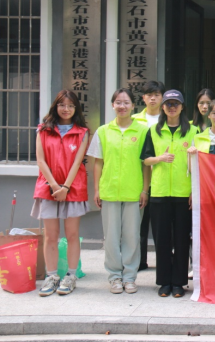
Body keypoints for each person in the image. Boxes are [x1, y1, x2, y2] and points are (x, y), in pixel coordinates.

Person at [88, 89, 149, 294]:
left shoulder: (143, 131)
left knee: (132, 237)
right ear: (112, 105)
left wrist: (145, 190)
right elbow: (98, 162)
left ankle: (130, 277)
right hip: (109, 191)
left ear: (133, 106)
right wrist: (97, 189)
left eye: (126, 102)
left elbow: (146, 164)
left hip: (133, 191)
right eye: (118, 102)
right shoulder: (103, 131)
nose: (122, 106)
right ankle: (115, 276)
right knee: (111, 237)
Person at [141, 90, 198, 298]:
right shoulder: (154, 131)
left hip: (184, 193)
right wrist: (160, 158)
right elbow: (145, 159)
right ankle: (164, 282)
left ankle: (179, 282)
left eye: (176, 104)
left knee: (182, 239)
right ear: (162, 107)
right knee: (162, 239)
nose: (172, 108)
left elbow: (199, 164)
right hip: (160, 191)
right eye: (168, 104)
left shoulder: (193, 131)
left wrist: (194, 190)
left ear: (182, 107)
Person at [33, 90, 90, 297]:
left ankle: (71, 276)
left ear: (76, 109)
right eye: (62, 105)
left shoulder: (83, 132)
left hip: (73, 188)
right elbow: (41, 160)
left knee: (72, 234)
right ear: (55, 107)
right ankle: (51, 276)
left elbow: (78, 162)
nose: (66, 109)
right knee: (50, 236)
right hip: (47, 188)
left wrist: (65, 188)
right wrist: (54, 186)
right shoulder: (43, 130)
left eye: (70, 106)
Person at [132, 80, 165, 272]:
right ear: (143, 98)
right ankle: (139, 261)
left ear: (162, 98)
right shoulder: (135, 120)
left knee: (161, 226)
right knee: (139, 225)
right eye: (149, 95)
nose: (153, 98)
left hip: (162, 180)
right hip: (139, 179)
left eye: (157, 95)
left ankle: (163, 262)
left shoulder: (168, 119)